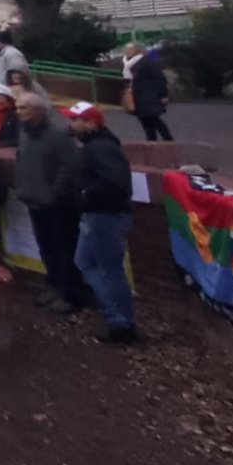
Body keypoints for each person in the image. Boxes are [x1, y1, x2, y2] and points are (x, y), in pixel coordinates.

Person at [64, 102, 139, 343]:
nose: (70, 124)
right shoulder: (96, 146)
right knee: (85, 261)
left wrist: (86, 194)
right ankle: (115, 313)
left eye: (75, 120)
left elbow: (114, 182)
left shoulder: (99, 148)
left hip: (105, 216)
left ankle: (120, 322)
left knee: (108, 269)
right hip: (97, 215)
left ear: (91, 123)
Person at [14, 93, 85, 314]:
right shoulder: (24, 134)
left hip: (59, 205)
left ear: (39, 111)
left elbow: (69, 168)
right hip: (35, 201)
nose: (19, 111)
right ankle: (53, 284)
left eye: (24, 107)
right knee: (47, 248)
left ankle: (71, 293)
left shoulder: (58, 136)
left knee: (65, 248)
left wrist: (55, 193)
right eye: (18, 107)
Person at [123, 43, 172, 142]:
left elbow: (160, 78)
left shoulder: (146, 62)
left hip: (148, 96)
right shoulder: (127, 65)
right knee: (145, 121)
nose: (126, 51)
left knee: (154, 119)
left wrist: (163, 94)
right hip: (137, 97)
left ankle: (168, 142)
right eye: (126, 49)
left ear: (137, 50)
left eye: (130, 49)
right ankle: (152, 143)